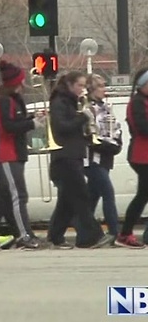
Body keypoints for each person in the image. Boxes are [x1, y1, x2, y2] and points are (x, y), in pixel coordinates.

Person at [0, 61, 43, 250]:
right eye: (22, 81)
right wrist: (31, 125)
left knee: (7, 196)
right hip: (8, 153)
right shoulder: (4, 102)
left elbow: (16, 122)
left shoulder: (14, 101)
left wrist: (31, 119)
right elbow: (7, 127)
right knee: (19, 195)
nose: (24, 85)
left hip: (16, 152)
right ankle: (23, 234)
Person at [47, 71, 112, 249]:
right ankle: (92, 236)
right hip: (64, 157)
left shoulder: (71, 102)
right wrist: (83, 116)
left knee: (66, 202)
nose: (83, 90)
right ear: (69, 85)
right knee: (81, 196)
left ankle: (54, 236)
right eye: (80, 86)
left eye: (84, 86)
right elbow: (62, 127)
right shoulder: (60, 102)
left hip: (74, 154)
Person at [81, 74, 123, 247]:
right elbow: (88, 134)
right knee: (107, 192)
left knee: (91, 198)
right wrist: (103, 145)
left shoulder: (106, 108)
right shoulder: (86, 109)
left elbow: (115, 128)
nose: (103, 89)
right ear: (91, 89)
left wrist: (116, 143)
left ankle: (84, 234)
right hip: (92, 159)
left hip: (105, 158)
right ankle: (114, 232)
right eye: (100, 86)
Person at [117, 67, 148, 248]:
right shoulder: (137, 102)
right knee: (142, 195)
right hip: (142, 154)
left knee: (143, 195)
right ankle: (125, 233)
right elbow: (141, 128)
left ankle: (126, 232)